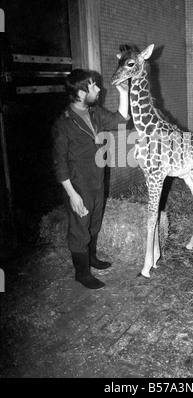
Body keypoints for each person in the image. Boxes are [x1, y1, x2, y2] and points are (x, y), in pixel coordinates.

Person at [52, 69, 129, 289]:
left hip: (97, 179)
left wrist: (124, 92)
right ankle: (82, 273)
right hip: (78, 184)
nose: (98, 89)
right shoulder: (64, 124)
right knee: (79, 229)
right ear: (79, 92)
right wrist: (73, 195)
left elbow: (120, 119)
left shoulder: (95, 113)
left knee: (94, 222)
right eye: (93, 86)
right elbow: (60, 164)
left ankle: (91, 258)